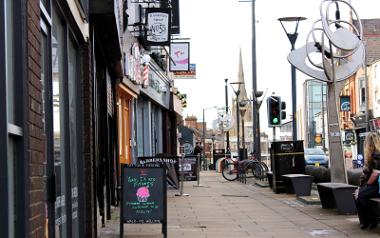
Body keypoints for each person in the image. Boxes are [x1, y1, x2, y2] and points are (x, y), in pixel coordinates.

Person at [356, 132, 380, 229]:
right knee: (357, 195)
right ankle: (367, 220)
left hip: (377, 186)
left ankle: (373, 218)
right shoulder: (371, 156)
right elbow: (365, 175)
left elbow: (376, 173)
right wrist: (360, 187)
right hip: (373, 186)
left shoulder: (377, 155)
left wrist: (365, 187)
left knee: (360, 196)